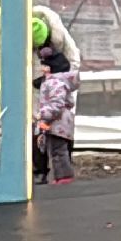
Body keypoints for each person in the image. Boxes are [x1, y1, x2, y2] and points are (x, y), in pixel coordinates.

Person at [35, 46, 78, 184]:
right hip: (58, 122)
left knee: (58, 150)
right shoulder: (54, 81)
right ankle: (61, 176)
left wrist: (43, 115)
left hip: (57, 122)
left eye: (44, 66)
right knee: (56, 150)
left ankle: (64, 177)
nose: (42, 68)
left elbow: (56, 104)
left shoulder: (54, 83)